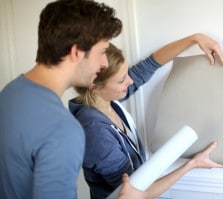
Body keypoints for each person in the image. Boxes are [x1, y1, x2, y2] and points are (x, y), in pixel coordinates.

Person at [0, 0, 131, 198]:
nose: (104, 64)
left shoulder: (10, 93)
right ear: (76, 52)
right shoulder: (63, 129)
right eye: (102, 52)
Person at [69, 34, 223, 199]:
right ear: (94, 86)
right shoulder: (95, 133)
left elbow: (151, 64)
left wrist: (195, 39)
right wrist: (192, 164)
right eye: (122, 79)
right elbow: (136, 192)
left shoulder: (104, 99)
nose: (130, 81)